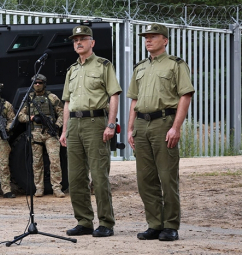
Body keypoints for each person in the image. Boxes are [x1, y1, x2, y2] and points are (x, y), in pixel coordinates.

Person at [127, 23, 194, 242]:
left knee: (167, 177)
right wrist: (129, 128)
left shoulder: (176, 65)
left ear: (164, 40)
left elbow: (185, 95)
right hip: (141, 124)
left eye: (153, 36)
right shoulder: (140, 67)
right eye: (146, 37)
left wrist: (176, 127)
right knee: (145, 179)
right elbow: (134, 99)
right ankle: (154, 224)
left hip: (163, 123)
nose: (148, 40)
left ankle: (171, 225)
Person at [59, 25, 122, 237]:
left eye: (83, 39)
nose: (78, 42)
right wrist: (64, 129)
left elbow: (114, 94)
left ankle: (106, 223)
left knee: (98, 175)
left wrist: (111, 124)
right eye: (75, 39)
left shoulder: (104, 65)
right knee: (75, 177)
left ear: (92, 43)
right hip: (74, 125)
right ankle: (84, 221)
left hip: (96, 123)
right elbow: (67, 102)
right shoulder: (72, 70)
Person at [17, 74, 65, 198]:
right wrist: (32, 118)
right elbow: (20, 116)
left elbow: (62, 114)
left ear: (44, 84)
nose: (37, 85)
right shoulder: (28, 98)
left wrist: (57, 125)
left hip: (50, 133)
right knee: (37, 162)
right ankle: (39, 188)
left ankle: (57, 188)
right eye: (35, 83)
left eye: (40, 83)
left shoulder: (52, 97)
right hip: (35, 133)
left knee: (55, 161)